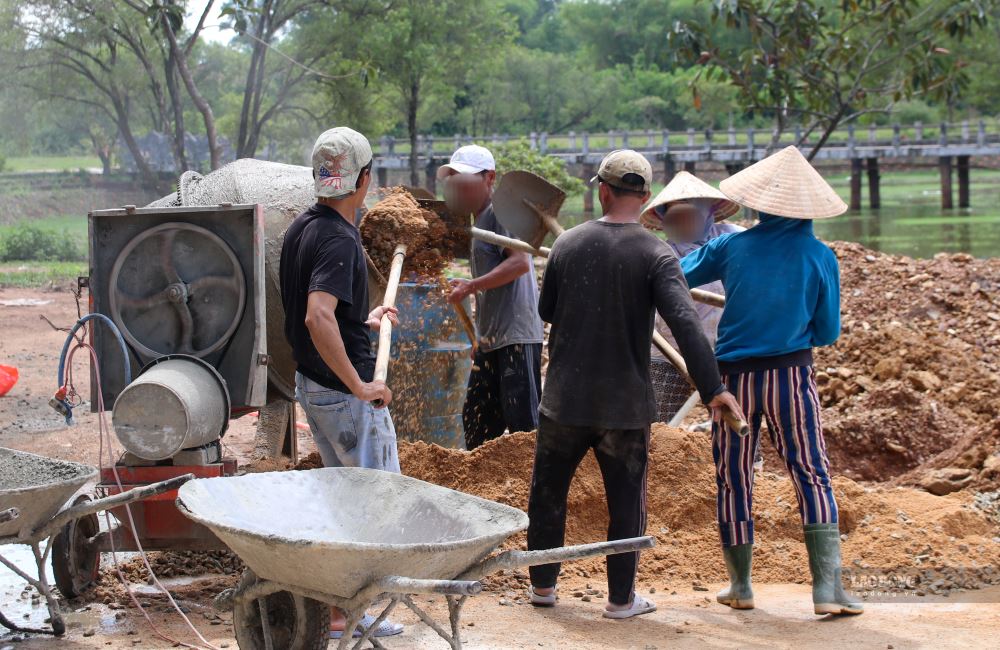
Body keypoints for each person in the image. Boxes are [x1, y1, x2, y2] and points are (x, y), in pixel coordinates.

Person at [526, 150, 742, 619]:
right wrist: (713, 390)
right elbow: (685, 323)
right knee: (625, 503)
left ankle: (543, 587)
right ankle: (620, 600)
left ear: (602, 190)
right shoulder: (656, 253)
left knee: (548, 493)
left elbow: (546, 313)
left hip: (564, 399)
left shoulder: (567, 245)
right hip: (624, 407)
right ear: (645, 197)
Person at [680, 145, 863, 616]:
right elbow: (827, 332)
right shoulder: (821, 256)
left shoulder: (730, 246)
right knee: (811, 474)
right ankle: (826, 590)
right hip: (790, 376)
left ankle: (740, 585)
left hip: (733, 382)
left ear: (759, 203)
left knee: (733, 478)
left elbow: (674, 276)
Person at [279, 126, 405, 639]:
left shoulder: (303, 228)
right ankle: (356, 614)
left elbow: (327, 314)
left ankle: (336, 611)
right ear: (366, 179)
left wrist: (363, 321)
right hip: (341, 395)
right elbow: (316, 316)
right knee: (373, 502)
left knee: (341, 500)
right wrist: (359, 384)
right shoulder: (337, 237)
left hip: (314, 384)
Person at [442, 145, 545, 450]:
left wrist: (471, 286)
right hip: (493, 339)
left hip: (516, 336)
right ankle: (479, 484)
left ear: (489, 178)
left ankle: (533, 487)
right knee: (476, 419)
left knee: (523, 426)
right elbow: (492, 285)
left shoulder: (500, 213)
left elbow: (519, 263)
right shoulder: (480, 221)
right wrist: (481, 337)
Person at [639, 171, 743, 424]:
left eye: (690, 214)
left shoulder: (733, 239)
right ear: (664, 218)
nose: (684, 222)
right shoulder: (661, 252)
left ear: (708, 212)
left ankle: (747, 463)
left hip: (725, 348)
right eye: (676, 216)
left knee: (735, 422)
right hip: (670, 350)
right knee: (659, 427)